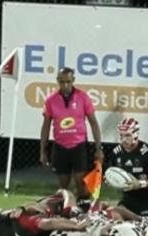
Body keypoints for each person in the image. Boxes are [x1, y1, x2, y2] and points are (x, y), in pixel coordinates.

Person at [40, 67, 104, 199]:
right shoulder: (51, 100)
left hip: (79, 145)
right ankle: (67, 208)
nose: (65, 85)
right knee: (63, 186)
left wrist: (99, 148)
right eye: (62, 82)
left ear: (73, 80)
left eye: (68, 82)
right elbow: (45, 126)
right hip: (60, 146)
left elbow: (94, 123)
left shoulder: (82, 97)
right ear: (58, 81)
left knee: (81, 183)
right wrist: (43, 150)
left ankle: (82, 204)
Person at [107, 117, 148, 218]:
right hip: (128, 201)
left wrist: (140, 184)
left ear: (135, 134)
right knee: (113, 214)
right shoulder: (116, 153)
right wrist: (113, 180)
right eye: (121, 135)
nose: (123, 140)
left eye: (127, 135)